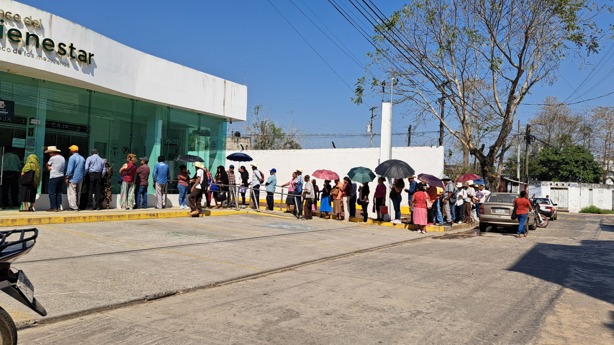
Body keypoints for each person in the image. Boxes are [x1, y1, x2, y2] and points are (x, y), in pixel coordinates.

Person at [65, 145, 85, 211]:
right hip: (80, 178)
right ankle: (77, 205)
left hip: (73, 178)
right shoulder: (82, 158)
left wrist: (67, 177)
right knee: (78, 192)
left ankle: (73, 206)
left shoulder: (72, 158)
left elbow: (70, 168)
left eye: (70, 149)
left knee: (72, 192)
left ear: (72, 150)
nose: (70, 150)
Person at [45, 146, 65, 212]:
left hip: (54, 176)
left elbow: (47, 164)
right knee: (58, 192)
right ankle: (58, 207)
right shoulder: (62, 158)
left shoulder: (53, 158)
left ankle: (53, 207)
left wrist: (48, 167)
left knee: (51, 192)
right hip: (61, 176)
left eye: (49, 153)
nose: (49, 154)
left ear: (52, 152)